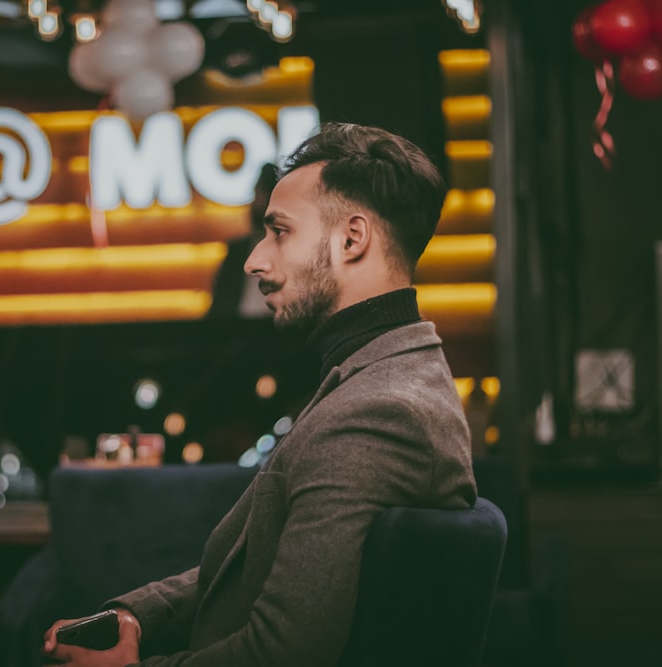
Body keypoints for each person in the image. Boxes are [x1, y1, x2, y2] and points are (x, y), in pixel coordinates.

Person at [41, 122, 477, 666]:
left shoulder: (375, 414)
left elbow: (282, 654)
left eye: (279, 231)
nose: (255, 260)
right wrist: (137, 615)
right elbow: (253, 568)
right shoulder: (377, 377)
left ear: (352, 239)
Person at [206, 162, 277, 319]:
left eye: (258, 194)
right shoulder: (237, 251)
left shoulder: (293, 249)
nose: (253, 203)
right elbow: (217, 311)